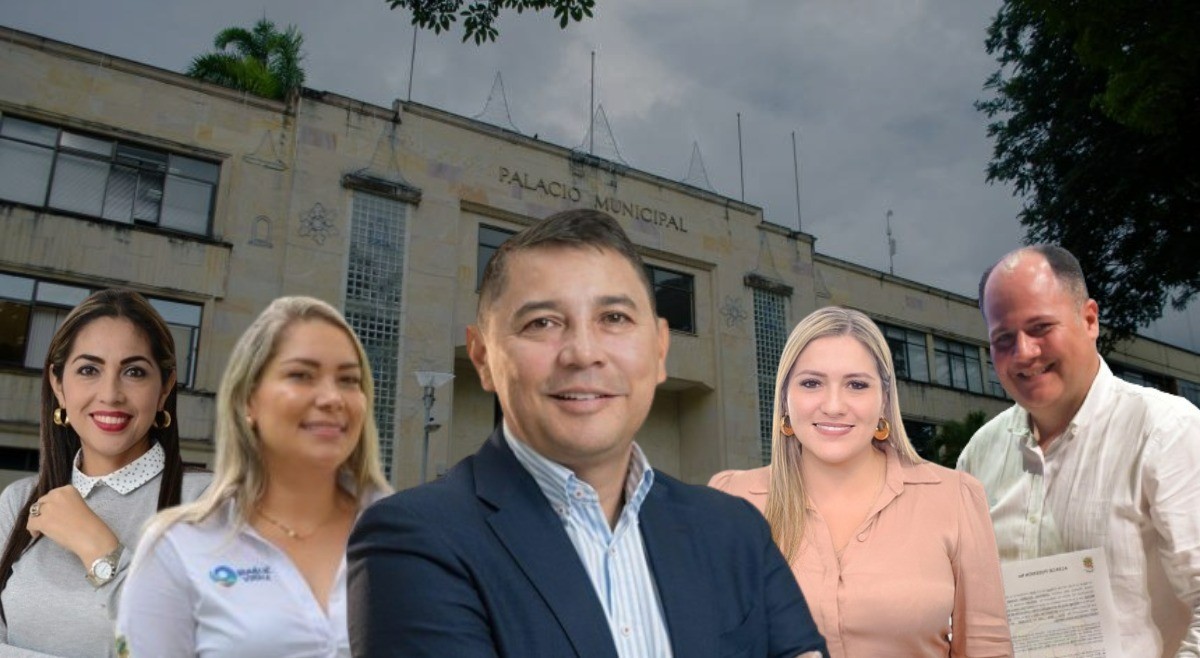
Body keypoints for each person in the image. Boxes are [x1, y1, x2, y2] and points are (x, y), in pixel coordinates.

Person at [348, 209, 827, 658]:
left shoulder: (734, 529)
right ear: (482, 358)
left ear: (660, 349)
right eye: (542, 322)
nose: (582, 353)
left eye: (614, 318)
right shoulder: (413, 540)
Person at [711, 306, 1013, 657]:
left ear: (884, 399)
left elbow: (987, 648)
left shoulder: (955, 498)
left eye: (856, 385)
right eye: (811, 383)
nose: (834, 405)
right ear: (784, 399)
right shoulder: (731, 501)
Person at [958, 245, 1200, 657]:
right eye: (1003, 338)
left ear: (1089, 320)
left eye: (1040, 327)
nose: (1024, 353)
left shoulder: (1166, 430)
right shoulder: (978, 455)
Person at [115, 296, 390, 657]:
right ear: (249, 399)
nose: (332, 398)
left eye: (349, 380)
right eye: (301, 375)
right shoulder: (178, 546)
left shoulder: (409, 534)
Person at [0, 288, 210, 657]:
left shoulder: (211, 502)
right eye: (89, 370)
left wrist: (99, 549)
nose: (110, 394)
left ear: (164, 388)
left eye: (134, 372)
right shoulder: (19, 502)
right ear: (58, 385)